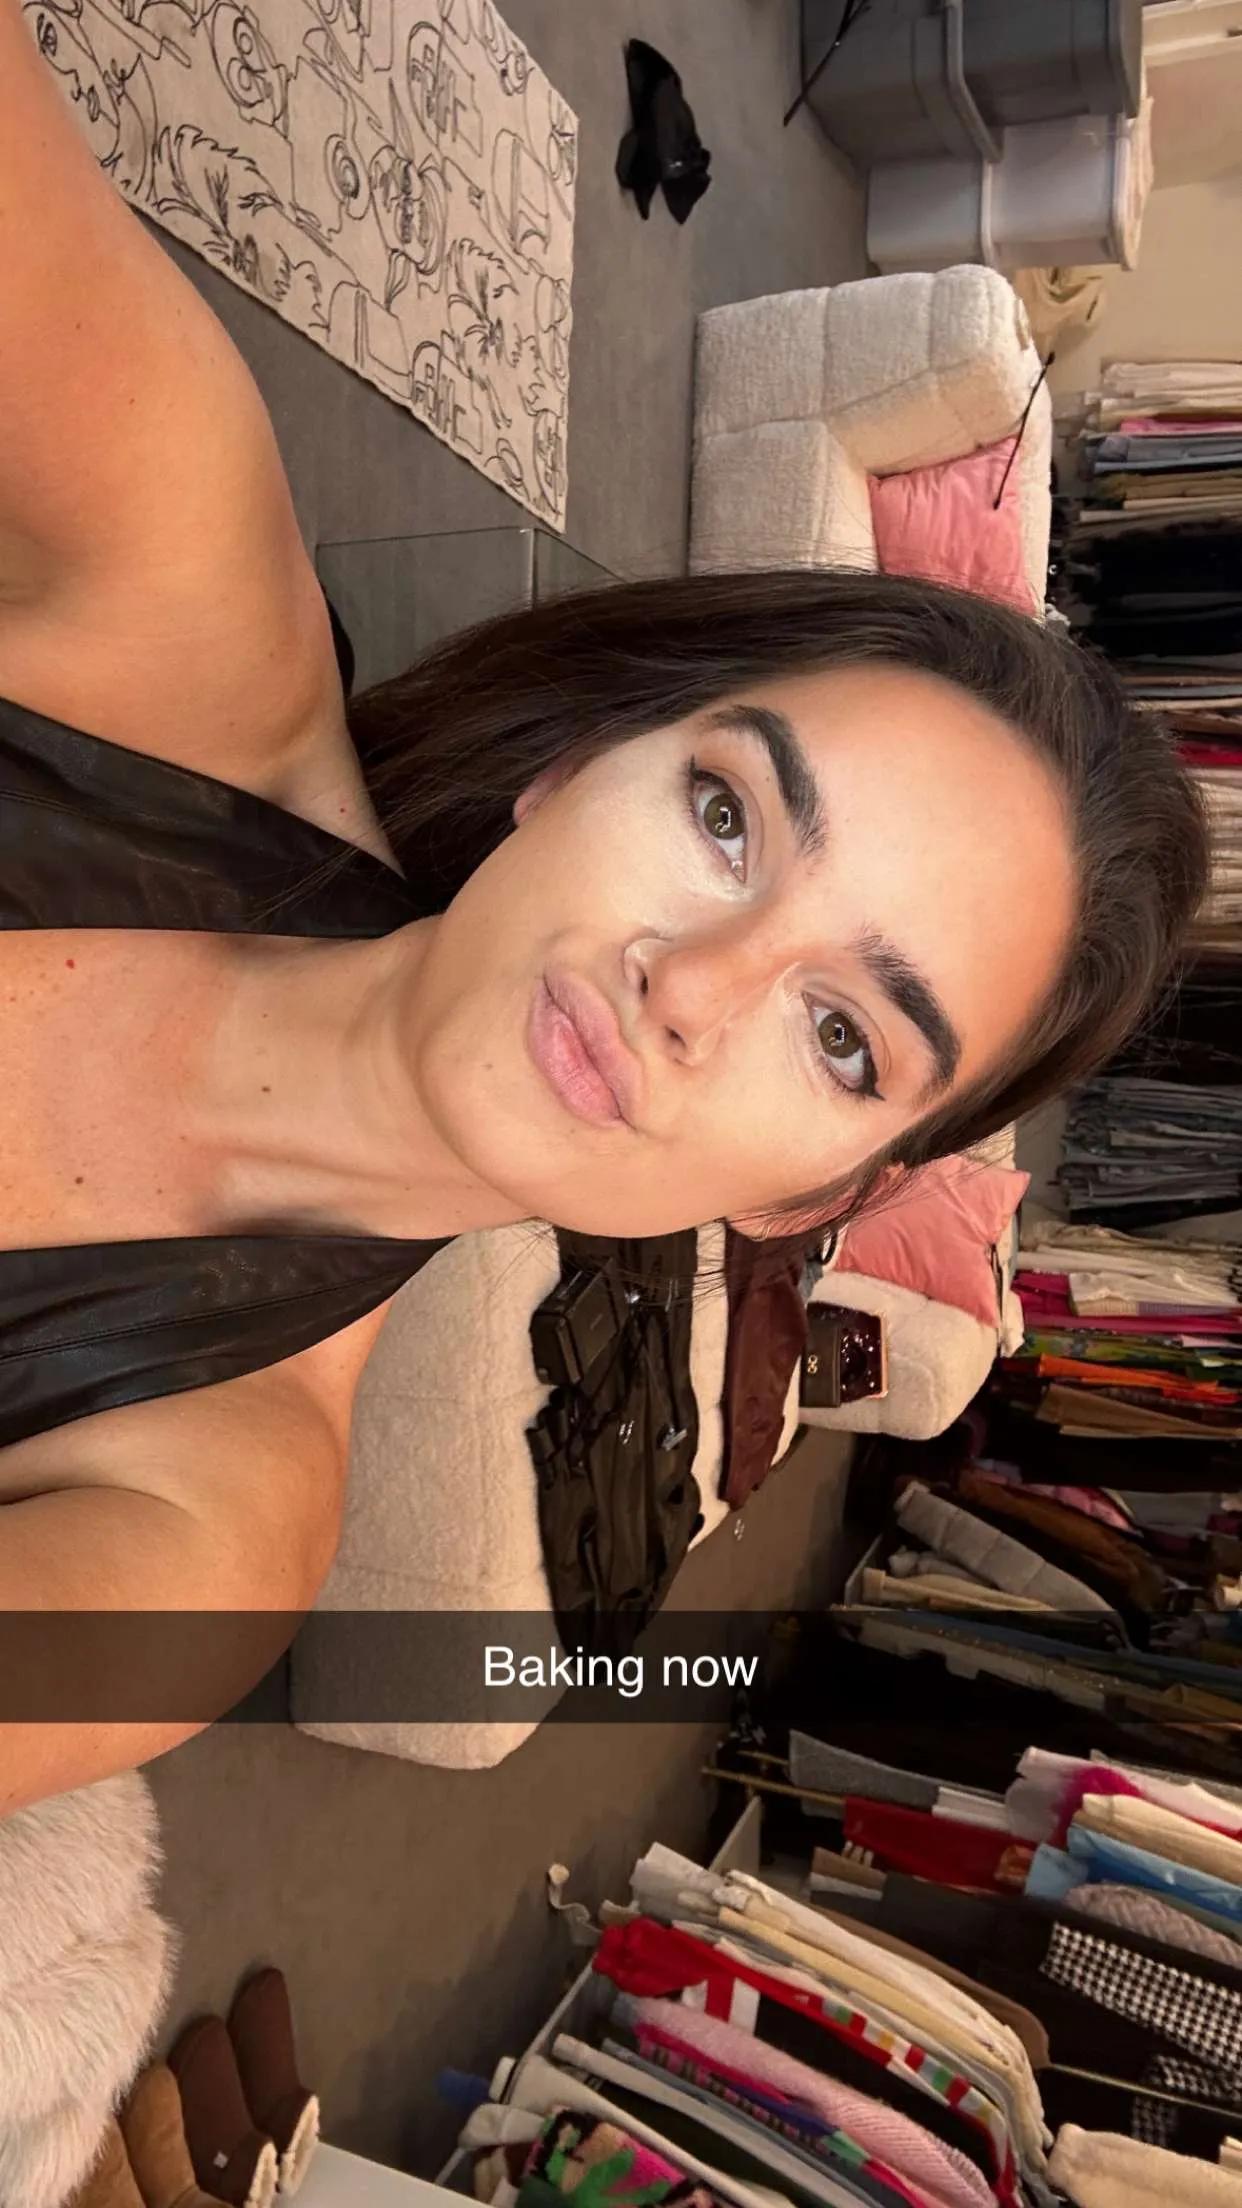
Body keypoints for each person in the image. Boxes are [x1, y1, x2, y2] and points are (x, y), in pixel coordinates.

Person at [0, 0, 1209, 1815]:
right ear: (570, 768)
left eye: (841, 1034)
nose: (691, 985)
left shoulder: (196, 1543)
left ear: (804, 1197)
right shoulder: (178, 600)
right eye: (726, 816)